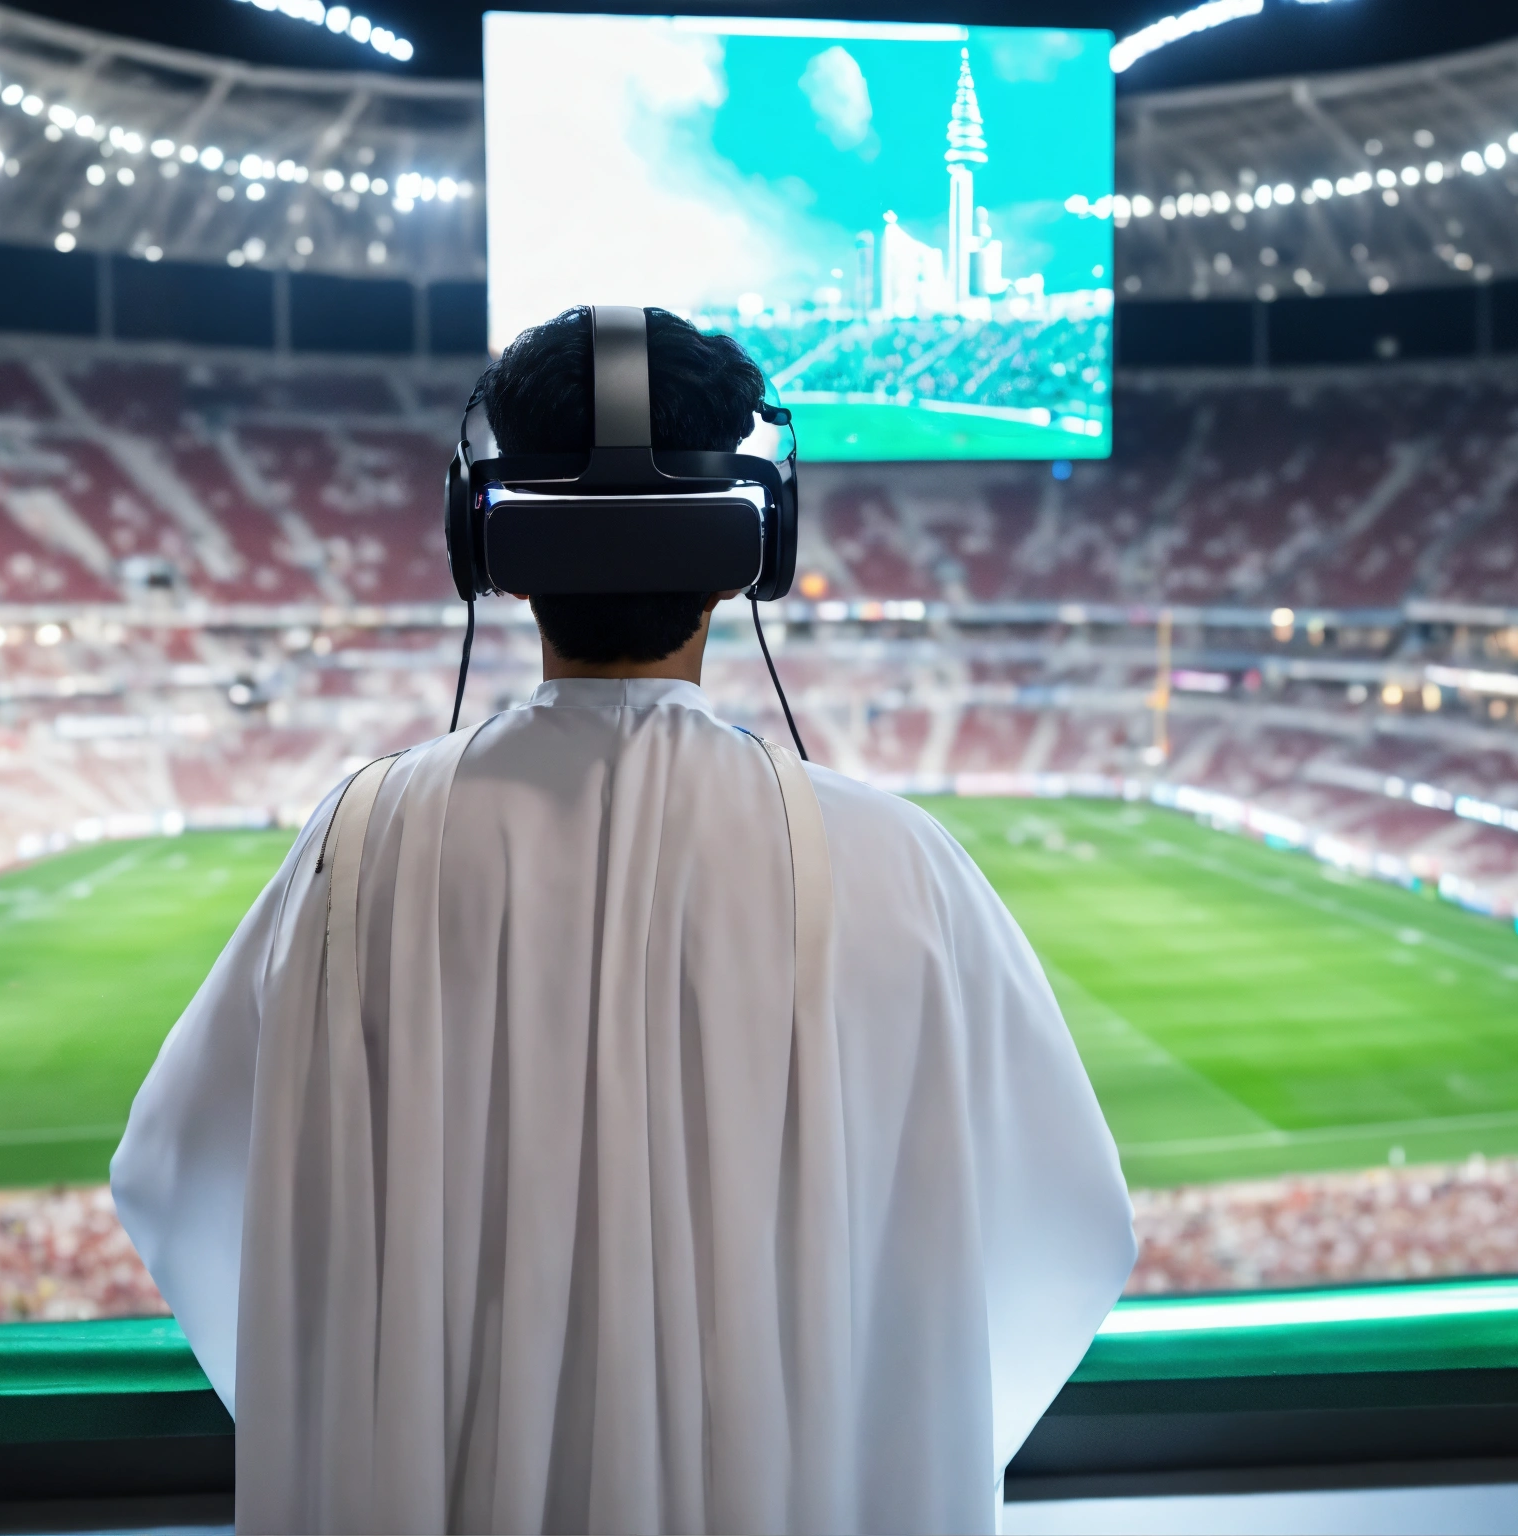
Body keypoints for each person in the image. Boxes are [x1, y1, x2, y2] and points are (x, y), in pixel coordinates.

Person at [111, 306, 1134, 1535]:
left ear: (478, 540)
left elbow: (180, 1180)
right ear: (756, 544)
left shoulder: (355, 843)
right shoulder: (901, 867)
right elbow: (1063, 1233)